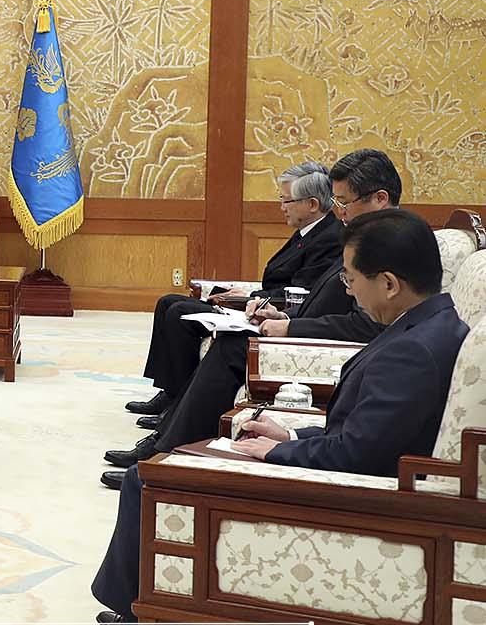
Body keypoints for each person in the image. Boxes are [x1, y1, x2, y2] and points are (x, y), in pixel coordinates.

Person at [56, 207, 468, 625]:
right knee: (179, 457)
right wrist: (290, 429)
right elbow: (372, 435)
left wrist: (280, 450)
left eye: (351, 281)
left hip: (350, 498)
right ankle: (134, 614)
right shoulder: (431, 325)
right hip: (353, 471)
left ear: (389, 283)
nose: (348, 292)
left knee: (147, 479)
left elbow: (357, 453)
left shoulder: (412, 351)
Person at [96, 150, 407, 485]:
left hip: (326, 349)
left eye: (344, 202)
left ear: (379, 198)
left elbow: (365, 324)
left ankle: (165, 457)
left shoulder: (390, 244)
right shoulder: (364, 236)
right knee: (217, 330)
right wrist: (284, 312)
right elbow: (324, 297)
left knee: (233, 345)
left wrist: (291, 325)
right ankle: (164, 445)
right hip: (306, 327)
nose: (339, 211)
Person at [128, 160, 344, 420]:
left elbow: (300, 292)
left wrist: (247, 298)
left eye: (287, 201)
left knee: (179, 313)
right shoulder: (306, 232)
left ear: (311, 204)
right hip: (260, 304)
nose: (281, 207)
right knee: (168, 302)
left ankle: (176, 401)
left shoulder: (329, 238)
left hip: (271, 313)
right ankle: (169, 392)